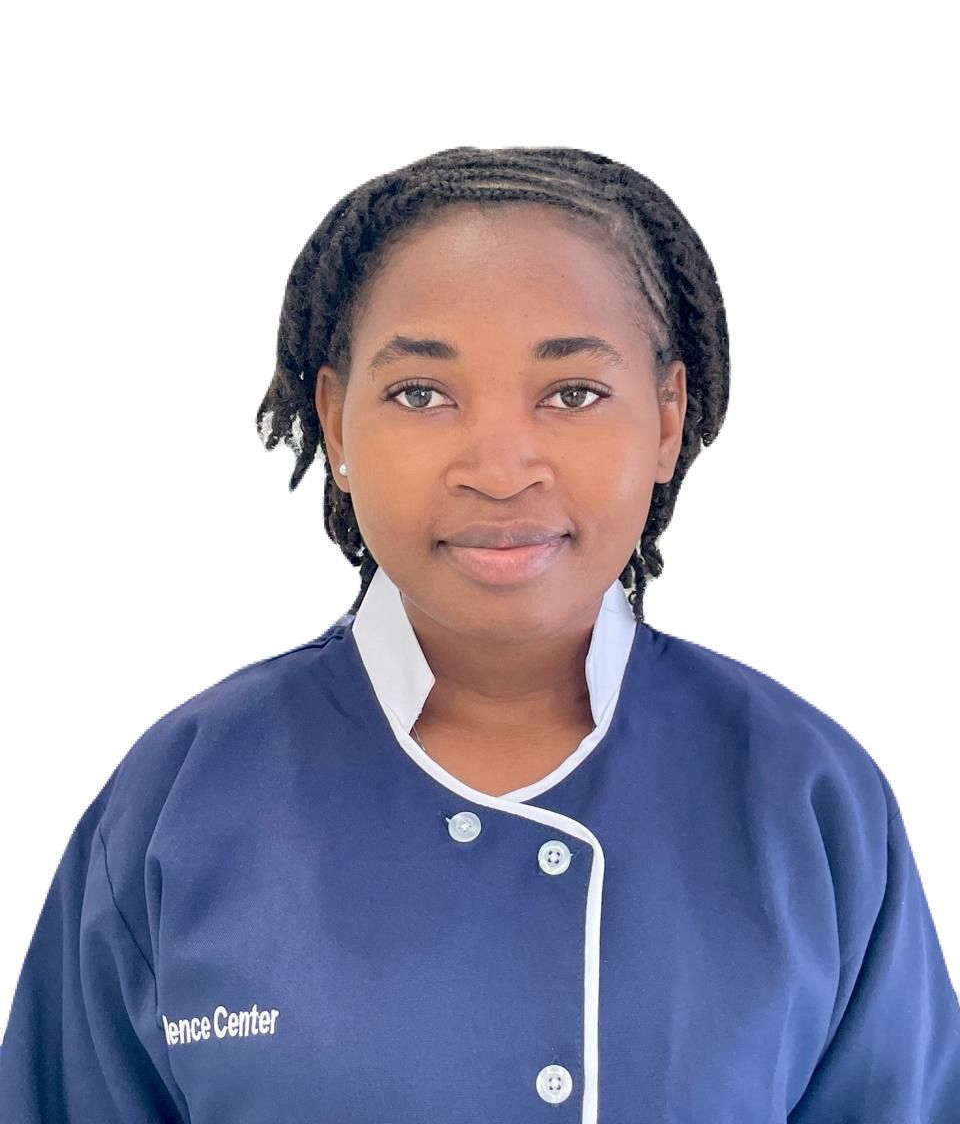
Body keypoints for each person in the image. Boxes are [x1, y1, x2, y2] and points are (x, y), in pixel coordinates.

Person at [1, 144, 958, 1122]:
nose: (500, 470)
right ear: (336, 424)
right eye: (421, 393)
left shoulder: (809, 798)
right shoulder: (176, 803)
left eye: (572, 393)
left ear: (668, 419)